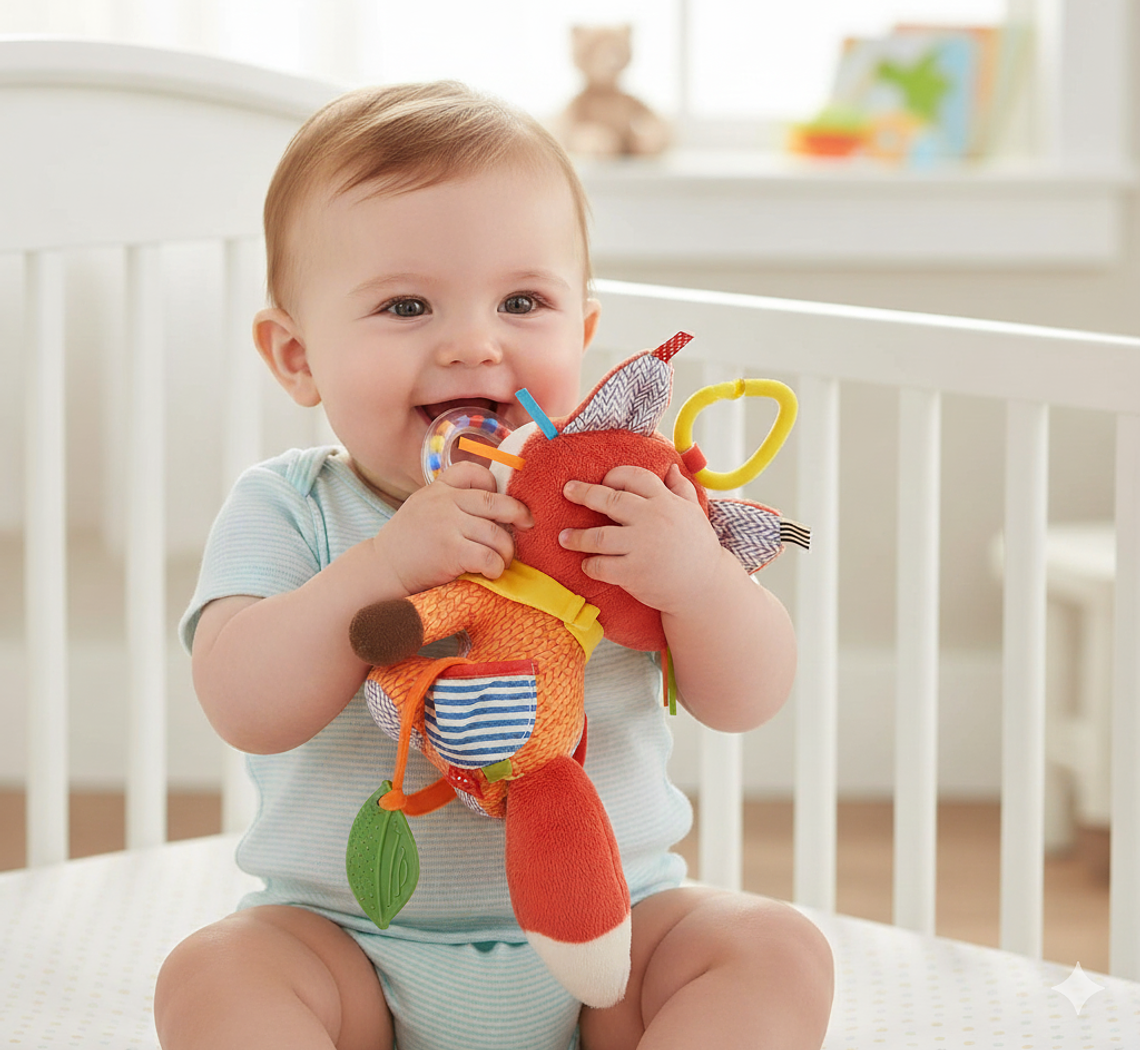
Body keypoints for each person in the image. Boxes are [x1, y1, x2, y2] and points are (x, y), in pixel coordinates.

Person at [153, 81, 833, 1050]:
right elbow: (243, 700)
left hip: (615, 952)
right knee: (215, 975)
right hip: (353, 957)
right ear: (297, 356)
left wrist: (697, 579)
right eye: (405, 305)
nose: (473, 342)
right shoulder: (290, 508)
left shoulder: (624, 504)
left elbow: (749, 695)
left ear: (583, 335)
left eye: (523, 301)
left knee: (774, 949)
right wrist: (381, 567)